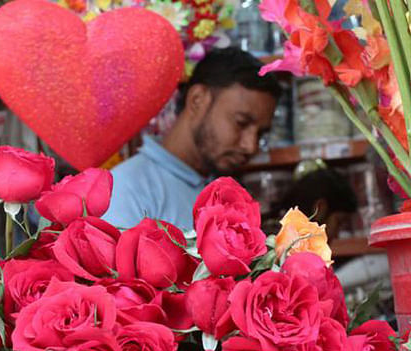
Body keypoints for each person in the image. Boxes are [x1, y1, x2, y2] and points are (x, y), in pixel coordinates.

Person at [103, 47, 282, 230]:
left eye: (261, 133)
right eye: (241, 123)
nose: (250, 146)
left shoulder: (227, 193)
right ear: (198, 99)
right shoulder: (125, 189)